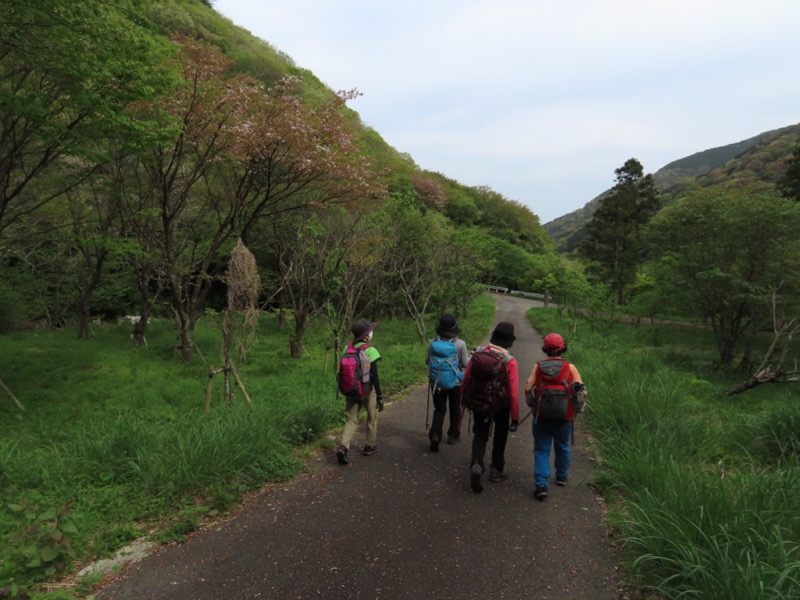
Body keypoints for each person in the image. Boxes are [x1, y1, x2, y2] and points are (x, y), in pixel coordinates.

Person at [524, 333, 586, 500]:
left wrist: (531, 403)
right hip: (564, 416)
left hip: (542, 416)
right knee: (563, 446)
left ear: (545, 349)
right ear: (562, 348)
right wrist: (576, 409)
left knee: (541, 449)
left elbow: (528, 389)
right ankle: (561, 476)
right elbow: (582, 392)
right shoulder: (570, 368)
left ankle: (542, 484)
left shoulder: (539, 367)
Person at [462, 321, 519, 493]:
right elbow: (514, 392)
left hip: (479, 401)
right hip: (501, 405)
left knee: (480, 433)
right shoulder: (509, 360)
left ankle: (477, 463)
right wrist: (515, 417)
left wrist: (464, 398)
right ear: (509, 341)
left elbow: (466, 377)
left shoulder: (478, 352)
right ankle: (496, 469)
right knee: (500, 435)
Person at [336, 319, 383, 465]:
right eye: (370, 331)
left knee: (351, 419)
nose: (371, 333)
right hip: (367, 391)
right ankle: (369, 445)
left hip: (350, 390)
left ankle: (343, 447)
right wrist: (379, 395)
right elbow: (374, 375)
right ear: (365, 335)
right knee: (371, 417)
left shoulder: (347, 348)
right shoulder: (370, 350)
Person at [426, 313, 470, 451]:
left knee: (439, 409)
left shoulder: (433, 343)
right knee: (454, 408)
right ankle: (453, 435)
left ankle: (435, 434)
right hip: (455, 382)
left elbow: (427, 361)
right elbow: (465, 364)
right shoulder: (460, 344)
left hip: (437, 382)